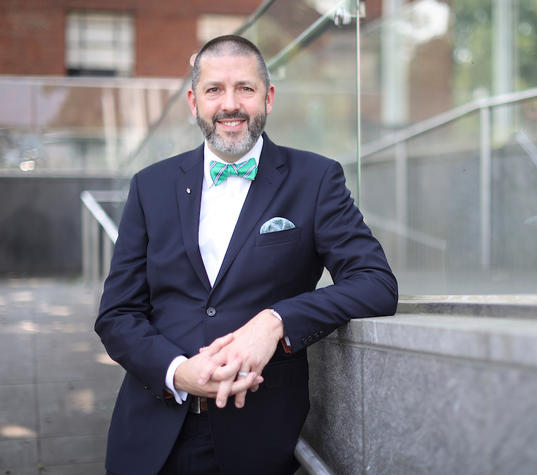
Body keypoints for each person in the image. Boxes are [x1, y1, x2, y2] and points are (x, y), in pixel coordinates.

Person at [95, 34, 398, 475]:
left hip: (259, 439)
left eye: (245, 88)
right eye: (214, 89)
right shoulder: (150, 185)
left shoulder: (315, 179)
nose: (230, 104)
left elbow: (377, 283)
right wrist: (178, 372)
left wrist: (276, 321)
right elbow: (117, 314)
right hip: (150, 434)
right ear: (193, 101)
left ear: (268, 97)